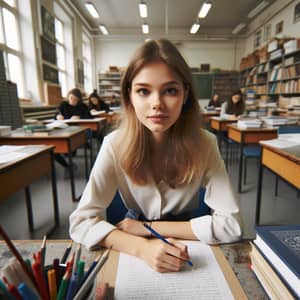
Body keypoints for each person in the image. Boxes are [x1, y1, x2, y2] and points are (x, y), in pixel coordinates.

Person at [69, 39, 242, 273]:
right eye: (143, 91)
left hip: (189, 248)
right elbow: (81, 222)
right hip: (132, 247)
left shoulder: (205, 143)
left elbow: (232, 225)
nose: (157, 104)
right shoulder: (114, 145)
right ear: (129, 94)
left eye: (170, 90)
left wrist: (148, 227)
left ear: (185, 93)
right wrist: (142, 248)